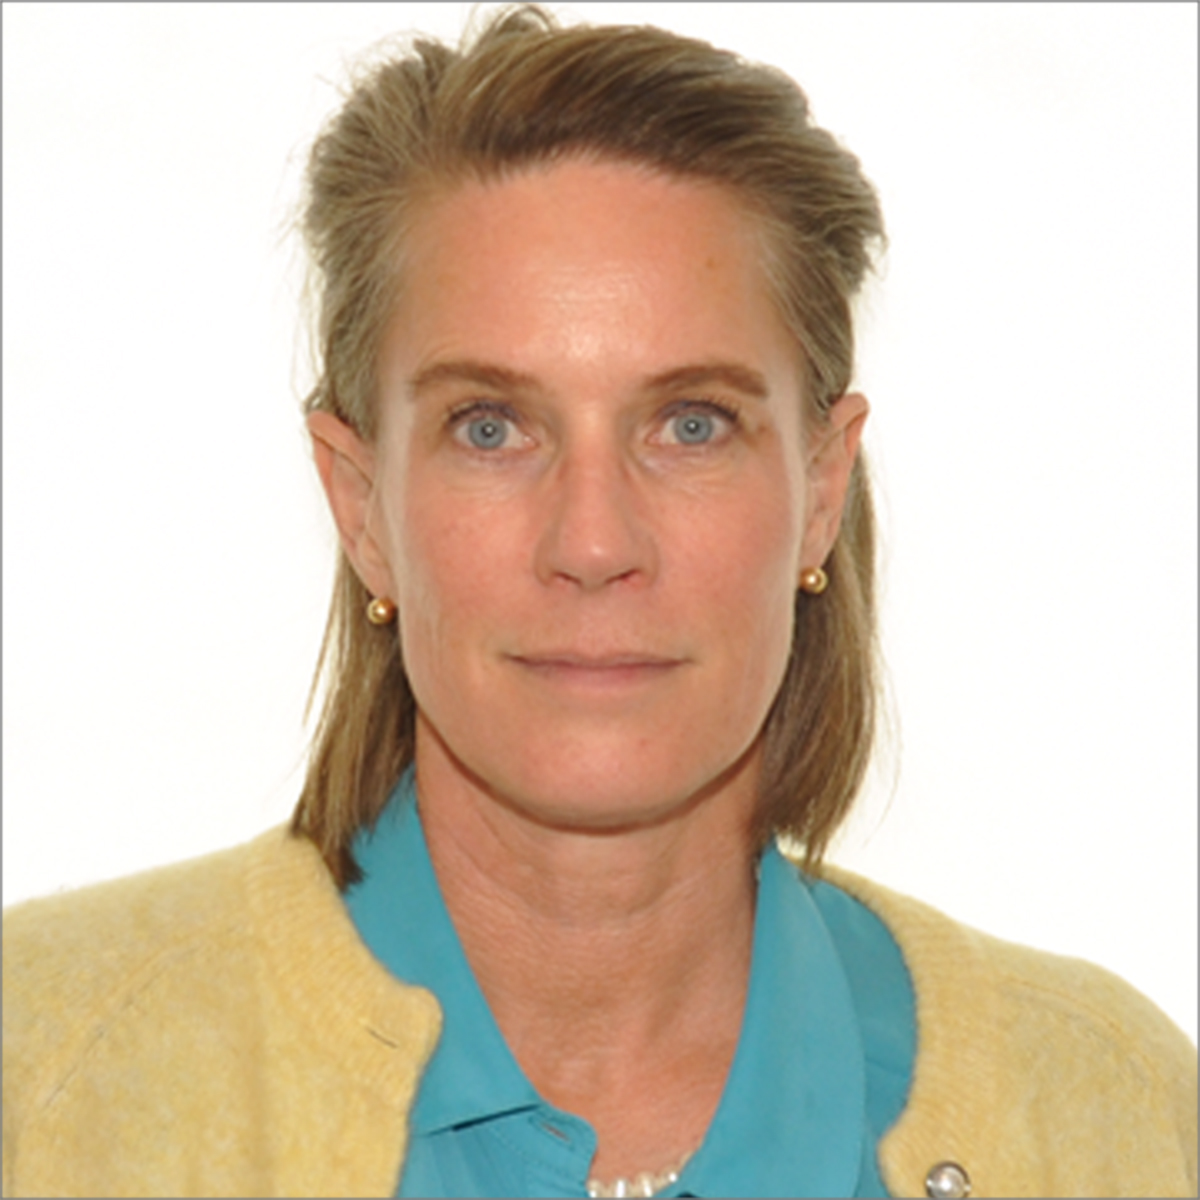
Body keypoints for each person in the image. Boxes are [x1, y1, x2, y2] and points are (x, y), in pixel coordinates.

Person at [3, 6, 1195, 1198]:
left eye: (692, 424)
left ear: (822, 490)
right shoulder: (43, 1081)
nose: (592, 542)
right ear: (361, 507)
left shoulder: (1113, 1116)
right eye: (490, 427)